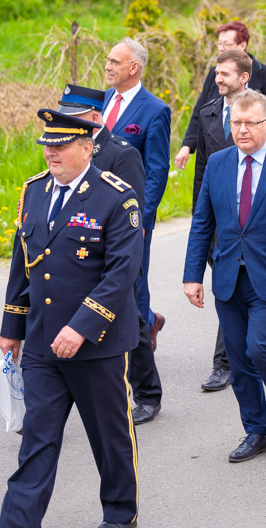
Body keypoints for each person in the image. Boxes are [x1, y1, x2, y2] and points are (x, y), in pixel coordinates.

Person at [0, 109, 142, 528]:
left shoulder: (116, 196)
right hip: (43, 343)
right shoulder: (35, 191)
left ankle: (119, 515)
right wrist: (12, 327)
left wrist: (81, 327)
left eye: (60, 146)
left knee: (110, 441)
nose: (50, 154)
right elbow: (21, 264)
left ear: (86, 148)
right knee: (37, 445)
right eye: (47, 146)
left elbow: (121, 273)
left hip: (99, 345)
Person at [183, 90, 266, 462]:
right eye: (236, 123)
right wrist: (192, 274)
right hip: (228, 274)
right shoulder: (219, 163)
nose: (241, 130)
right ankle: (255, 430)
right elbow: (202, 223)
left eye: (249, 123)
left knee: (262, 347)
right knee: (239, 359)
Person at [56, 84, 163, 425]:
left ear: (95, 117)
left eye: (74, 118)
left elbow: (135, 209)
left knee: (128, 317)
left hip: (113, 253)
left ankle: (147, 392)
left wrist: (127, 258)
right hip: (75, 253)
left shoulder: (120, 153)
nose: (66, 124)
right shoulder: (66, 148)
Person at [193, 50, 266, 393]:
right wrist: (199, 218)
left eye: (225, 74)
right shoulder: (208, 113)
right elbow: (203, 171)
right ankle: (231, 355)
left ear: (244, 77)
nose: (218, 79)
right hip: (220, 216)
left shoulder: (264, 116)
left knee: (249, 287)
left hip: (256, 217)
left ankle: (229, 360)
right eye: (216, 73)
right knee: (227, 283)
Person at [103, 37, 171, 414]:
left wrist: (142, 220)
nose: (109, 66)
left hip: (131, 220)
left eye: (116, 61)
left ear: (135, 68)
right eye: (108, 60)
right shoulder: (99, 102)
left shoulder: (154, 110)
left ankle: (147, 393)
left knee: (132, 292)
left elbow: (157, 170)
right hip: (95, 217)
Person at [176, 20, 266, 170]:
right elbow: (200, 111)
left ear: (242, 45)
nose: (221, 49)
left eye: (226, 44)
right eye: (219, 44)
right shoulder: (215, 74)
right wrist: (187, 145)